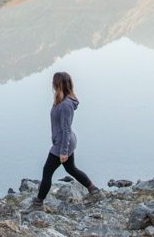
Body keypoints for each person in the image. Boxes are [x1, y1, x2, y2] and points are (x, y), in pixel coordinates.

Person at [28, 71, 103, 210]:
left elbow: (66, 129)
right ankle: (94, 191)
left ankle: (38, 203)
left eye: (53, 81)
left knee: (47, 171)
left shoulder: (65, 105)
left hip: (63, 143)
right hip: (64, 142)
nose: (51, 84)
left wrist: (63, 151)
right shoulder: (60, 99)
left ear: (59, 84)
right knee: (71, 169)